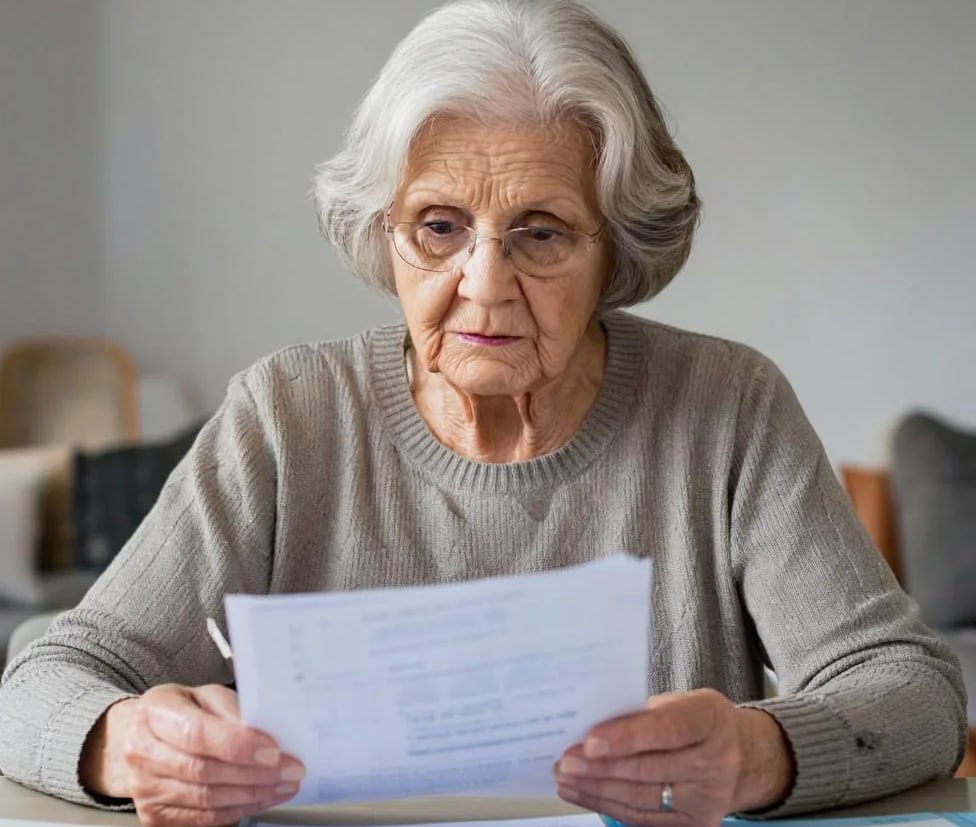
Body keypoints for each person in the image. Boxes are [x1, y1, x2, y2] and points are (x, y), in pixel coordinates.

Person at [0, 1, 966, 826]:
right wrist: (128, 745)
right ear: (388, 233)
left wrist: (758, 752)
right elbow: (47, 675)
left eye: (540, 233)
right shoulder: (287, 415)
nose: (484, 286)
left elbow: (915, 691)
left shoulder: (728, 408)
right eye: (439, 228)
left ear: (616, 249)